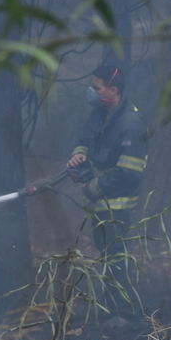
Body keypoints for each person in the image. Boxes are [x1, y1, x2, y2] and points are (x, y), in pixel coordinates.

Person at [65, 62, 148, 323]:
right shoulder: (100, 113)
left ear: (113, 90)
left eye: (96, 87)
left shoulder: (131, 124)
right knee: (108, 257)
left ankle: (126, 316)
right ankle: (113, 311)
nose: (91, 92)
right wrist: (79, 154)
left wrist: (92, 188)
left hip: (118, 207)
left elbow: (129, 172)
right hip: (102, 205)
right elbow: (85, 138)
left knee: (116, 260)